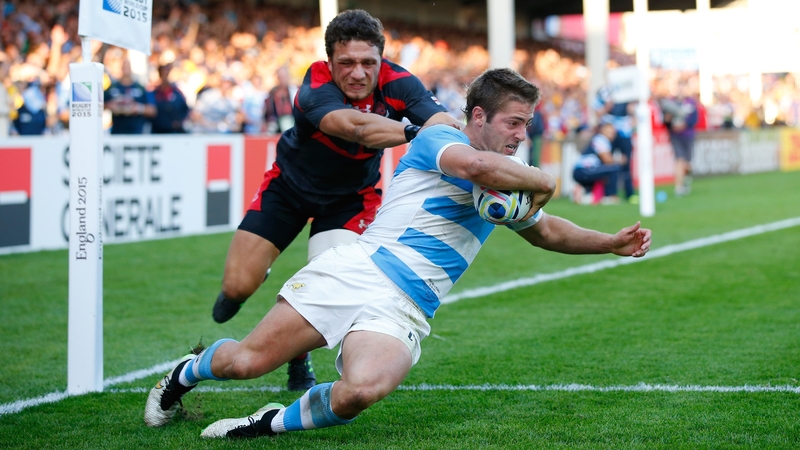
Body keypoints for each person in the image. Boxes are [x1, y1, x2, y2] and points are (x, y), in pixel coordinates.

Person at [144, 67, 652, 438]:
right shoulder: (441, 139)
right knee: (247, 362)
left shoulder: (505, 179)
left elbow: (545, 231)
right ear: (478, 116)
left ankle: (266, 423)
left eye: (527, 126)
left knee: (360, 391)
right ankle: (180, 377)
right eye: (514, 123)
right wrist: (546, 178)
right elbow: (477, 168)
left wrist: (609, 243)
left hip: (406, 306)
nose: (523, 136)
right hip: (359, 272)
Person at [209, 9, 460, 392]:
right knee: (236, 288)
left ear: (382, 60)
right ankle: (258, 274)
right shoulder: (314, 84)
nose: (357, 73)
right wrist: (415, 130)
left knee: (326, 285)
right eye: (346, 63)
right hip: (288, 188)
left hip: (350, 200)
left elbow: (443, 124)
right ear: (330, 62)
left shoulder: (400, 82)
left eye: (367, 63)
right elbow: (355, 126)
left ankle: (298, 355)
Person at [592, 80, 635, 201]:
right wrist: (607, 107)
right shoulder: (601, 93)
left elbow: (633, 111)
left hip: (624, 133)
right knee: (607, 162)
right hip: (609, 134)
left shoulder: (625, 93)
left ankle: (629, 194)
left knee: (626, 163)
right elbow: (597, 113)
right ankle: (609, 194)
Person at [572, 119, 624, 205]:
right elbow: (607, 160)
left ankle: (583, 193)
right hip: (584, 170)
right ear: (603, 130)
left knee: (604, 171)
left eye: (613, 132)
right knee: (614, 168)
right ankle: (610, 196)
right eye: (610, 131)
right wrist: (619, 160)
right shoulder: (600, 139)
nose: (612, 134)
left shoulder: (599, 139)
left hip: (584, 171)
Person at [660, 86, 698, 196]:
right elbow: (665, 120)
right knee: (679, 160)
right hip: (675, 136)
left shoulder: (691, 103)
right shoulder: (669, 103)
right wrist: (670, 123)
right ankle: (678, 186)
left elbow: (694, 119)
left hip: (688, 135)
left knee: (687, 164)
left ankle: (685, 181)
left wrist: (685, 125)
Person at [104, 59, 156, 134]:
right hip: (117, 130)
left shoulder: (140, 88)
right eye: (124, 67)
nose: (126, 69)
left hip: (136, 131)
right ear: (121, 68)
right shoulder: (113, 88)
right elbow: (99, 104)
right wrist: (111, 106)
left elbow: (152, 110)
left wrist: (138, 108)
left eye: (128, 67)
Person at [150, 62, 190, 134]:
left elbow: (185, 110)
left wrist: (179, 122)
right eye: (163, 72)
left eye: (167, 72)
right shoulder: (154, 93)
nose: (165, 75)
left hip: (175, 132)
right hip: (157, 132)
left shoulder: (177, 92)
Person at [263, 65, 297, 135]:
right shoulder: (273, 92)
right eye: (280, 77)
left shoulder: (294, 90)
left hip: (292, 120)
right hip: (275, 121)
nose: (282, 80)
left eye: (284, 77)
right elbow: (268, 110)